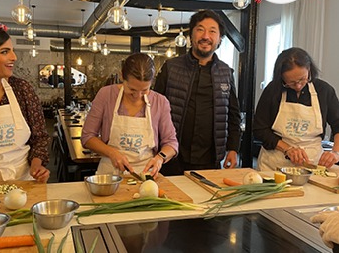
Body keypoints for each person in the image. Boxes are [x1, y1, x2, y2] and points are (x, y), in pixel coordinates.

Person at [154, 9, 241, 175]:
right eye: (200, 29)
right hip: (173, 156)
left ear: (220, 39)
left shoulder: (226, 72)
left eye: (212, 31)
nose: (206, 36)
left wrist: (233, 148)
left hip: (210, 158)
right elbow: (154, 109)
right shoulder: (171, 68)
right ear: (191, 35)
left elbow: (233, 115)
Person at [0, 20, 50, 191]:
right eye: (5, 52)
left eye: (12, 50)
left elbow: (40, 137)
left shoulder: (21, 89)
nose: (14, 57)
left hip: (23, 184)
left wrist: (37, 165)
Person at [81, 53, 178, 179]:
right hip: (110, 176)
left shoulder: (160, 102)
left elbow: (171, 143)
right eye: (132, 90)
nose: (138, 96)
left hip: (146, 175)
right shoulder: (106, 95)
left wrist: (160, 158)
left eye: (144, 90)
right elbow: (87, 137)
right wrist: (112, 153)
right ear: (122, 76)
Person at [254, 47, 339, 171]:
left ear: (309, 69)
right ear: (281, 78)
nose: (298, 86)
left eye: (302, 79)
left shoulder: (324, 91)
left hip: (313, 164)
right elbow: (259, 129)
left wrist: (335, 152)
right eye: (291, 83)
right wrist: (287, 149)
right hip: (275, 164)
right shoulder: (273, 90)